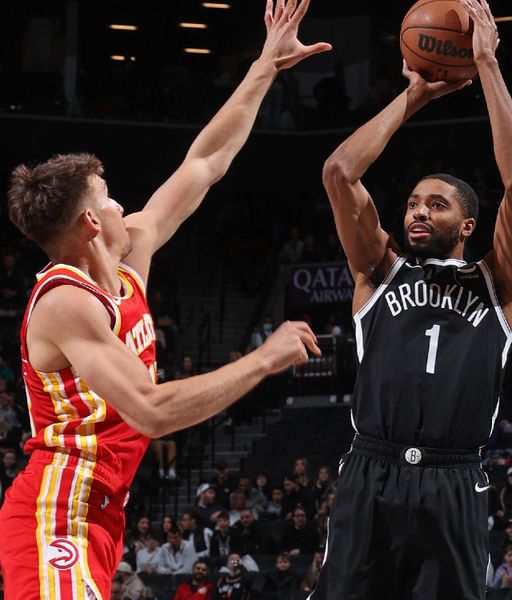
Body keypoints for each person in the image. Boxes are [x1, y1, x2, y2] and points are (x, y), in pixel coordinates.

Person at [0, 4, 328, 597]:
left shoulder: (131, 262)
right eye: (109, 198)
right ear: (90, 223)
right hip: (58, 510)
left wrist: (264, 68)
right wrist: (263, 359)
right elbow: (149, 410)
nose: (123, 205)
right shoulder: (63, 302)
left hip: (105, 511)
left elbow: (203, 163)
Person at [316, 2, 512, 598]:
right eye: (413, 202)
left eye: (436, 204)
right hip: (371, 469)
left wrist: (487, 64)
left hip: (455, 479)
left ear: (468, 225)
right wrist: (413, 96)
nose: (418, 210)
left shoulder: (499, 283)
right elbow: (339, 171)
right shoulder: (377, 270)